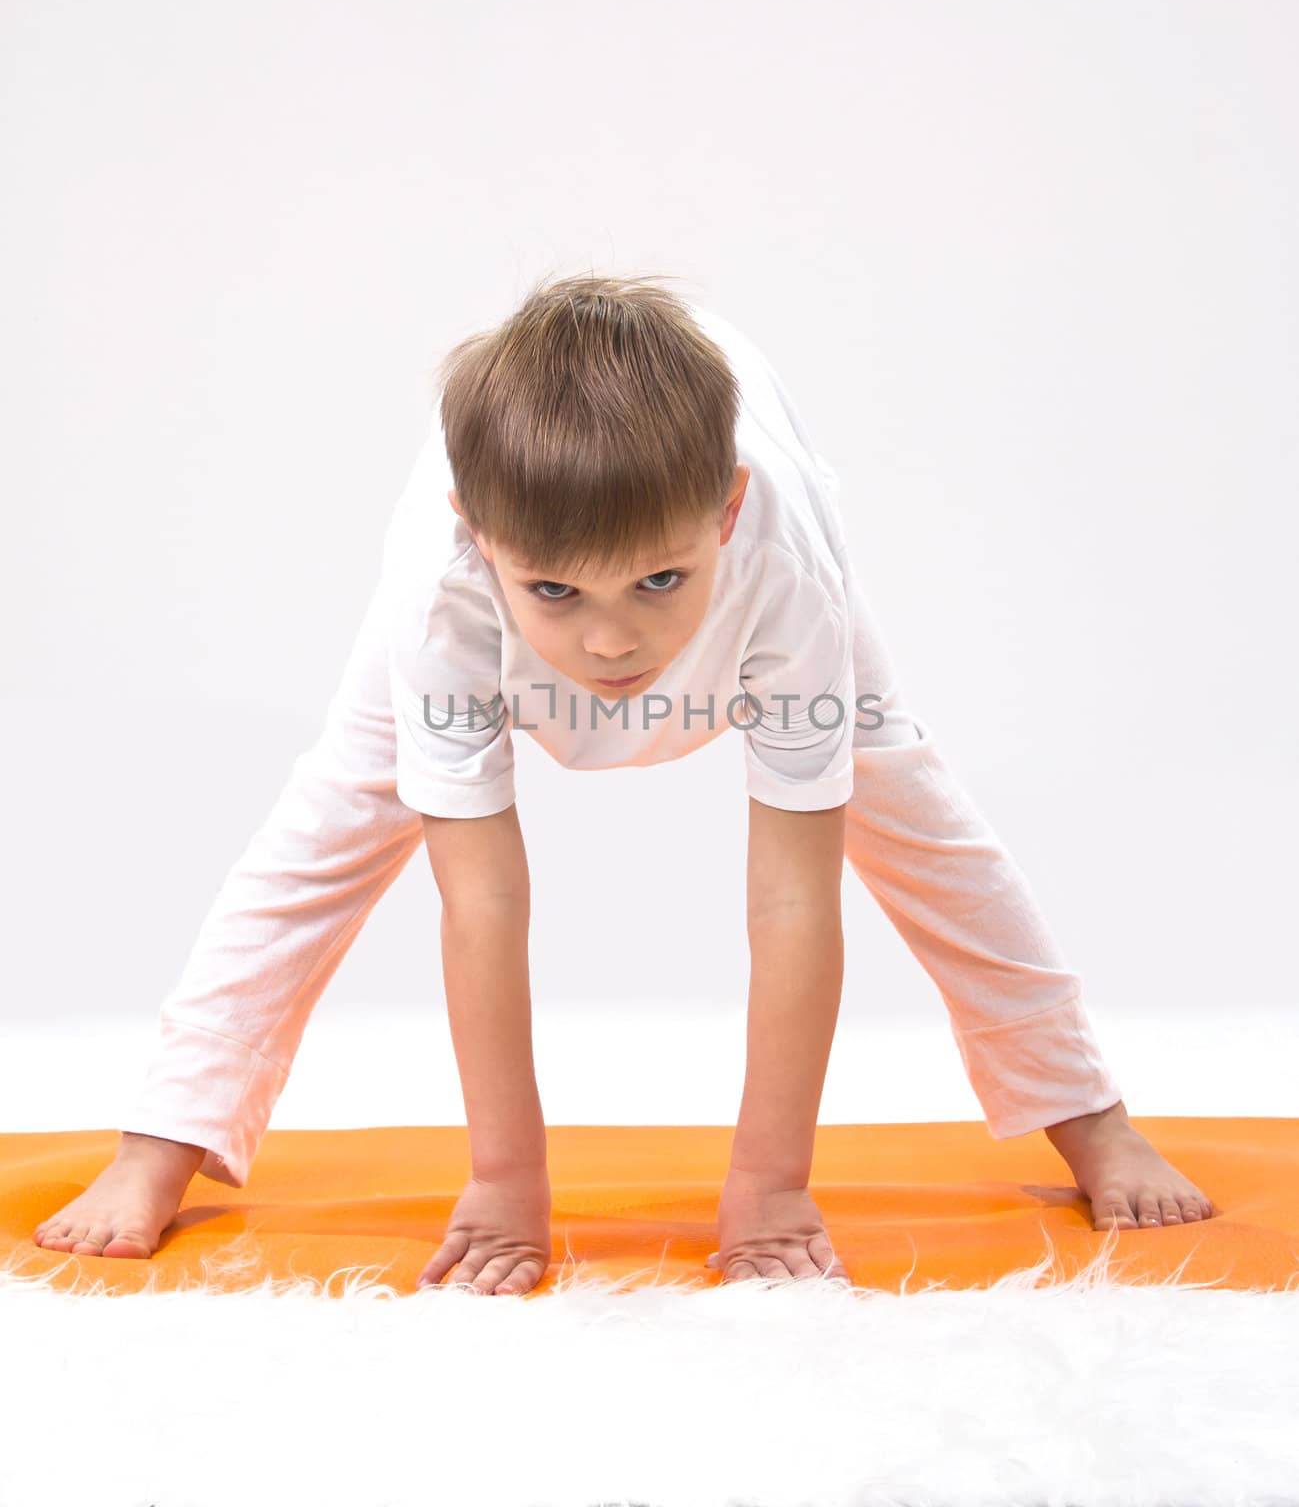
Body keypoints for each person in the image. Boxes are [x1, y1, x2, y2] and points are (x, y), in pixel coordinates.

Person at [32, 272, 1215, 1292]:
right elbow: (481, 903)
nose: (611, 644)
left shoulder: (779, 566)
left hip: (747, 578)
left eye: (656, 581)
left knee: (914, 817)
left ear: (726, 513)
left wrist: (770, 1185)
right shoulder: (444, 587)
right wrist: (506, 1182)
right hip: (504, 593)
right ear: (478, 537)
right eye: (561, 593)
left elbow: (794, 900)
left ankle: (1092, 1120)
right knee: (331, 823)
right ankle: (162, 1137)